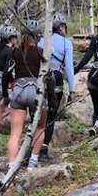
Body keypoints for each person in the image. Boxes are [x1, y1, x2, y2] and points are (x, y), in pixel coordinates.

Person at [37, 12, 76, 163]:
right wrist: (72, 89)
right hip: (57, 79)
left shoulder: (41, 41)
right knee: (52, 115)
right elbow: (69, 68)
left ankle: (33, 147)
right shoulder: (66, 43)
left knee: (39, 116)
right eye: (64, 27)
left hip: (41, 78)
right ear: (60, 28)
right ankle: (44, 148)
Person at [5, 20, 44, 172]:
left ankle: (11, 165)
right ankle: (33, 162)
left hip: (18, 90)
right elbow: (49, 75)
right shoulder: (41, 52)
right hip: (36, 91)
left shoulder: (14, 51)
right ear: (36, 36)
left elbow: (6, 74)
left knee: (15, 133)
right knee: (40, 127)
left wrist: (6, 93)